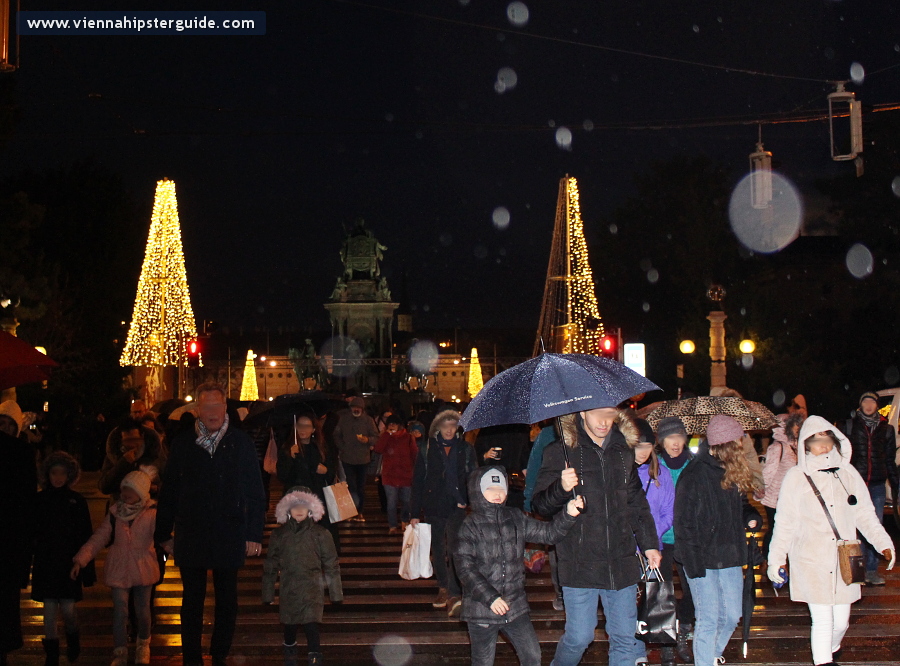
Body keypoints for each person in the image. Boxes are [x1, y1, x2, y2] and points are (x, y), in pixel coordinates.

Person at [532, 407, 660, 666]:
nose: (604, 422)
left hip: (620, 560)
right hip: (580, 562)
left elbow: (636, 502)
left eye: (609, 414)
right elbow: (540, 506)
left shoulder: (622, 451)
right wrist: (560, 487)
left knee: (624, 637)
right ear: (581, 414)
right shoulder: (560, 452)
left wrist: (649, 545)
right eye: (596, 414)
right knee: (580, 637)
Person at [768, 415, 895, 666]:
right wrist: (776, 560)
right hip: (811, 559)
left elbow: (865, 514)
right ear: (806, 445)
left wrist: (884, 543)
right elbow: (784, 523)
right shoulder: (796, 477)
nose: (822, 445)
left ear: (835, 441)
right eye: (816, 440)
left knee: (841, 621)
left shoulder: (848, 474)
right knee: (823, 620)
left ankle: (832, 646)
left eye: (826, 438)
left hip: (845, 561)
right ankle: (823, 660)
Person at [155, 382, 267, 666]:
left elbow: (255, 490)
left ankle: (219, 653)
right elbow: (169, 491)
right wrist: (163, 533)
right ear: (197, 410)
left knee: (227, 600)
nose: (214, 412)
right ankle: (192, 656)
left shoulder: (239, 442)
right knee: (192, 600)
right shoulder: (183, 443)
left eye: (218, 405)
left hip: (229, 530)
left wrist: (253, 533)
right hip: (192, 530)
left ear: (225, 408)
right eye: (207, 406)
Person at [453, 465, 584, 666]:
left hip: (514, 606)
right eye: (490, 489)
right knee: (483, 661)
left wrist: (568, 514)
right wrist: (491, 597)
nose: (497, 494)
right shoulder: (470, 526)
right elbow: (465, 568)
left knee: (532, 655)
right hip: (481, 608)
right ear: (477, 491)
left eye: (501, 489)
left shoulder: (515, 517)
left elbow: (549, 534)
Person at [674, 415, 760, 666]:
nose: (741, 449)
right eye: (737, 444)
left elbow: (742, 505)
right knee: (709, 617)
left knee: (733, 614)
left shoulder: (730, 470)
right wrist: (692, 562)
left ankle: (710, 655)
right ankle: (704, 661)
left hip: (730, 554)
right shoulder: (694, 474)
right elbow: (683, 522)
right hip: (701, 557)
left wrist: (751, 516)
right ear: (723, 446)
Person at [72, 470, 159, 666]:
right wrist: (81, 559)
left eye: (131, 490)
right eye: (124, 489)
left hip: (143, 566)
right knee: (120, 610)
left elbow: (164, 538)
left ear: (142, 493)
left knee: (143, 610)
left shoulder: (152, 513)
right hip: (119, 566)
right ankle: (119, 651)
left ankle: (143, 645)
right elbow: (99, 538)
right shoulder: (114, 513)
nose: (125, 494)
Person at [263, 489, 343, 666]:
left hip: (312, 587)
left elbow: (331, 563)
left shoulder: (320, 534)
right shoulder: (280, 535)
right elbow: (270, 565)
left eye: (304, 506)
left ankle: (314, 654)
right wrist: (268, 593)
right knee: (289, 624)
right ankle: (289, 649)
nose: (299, 510)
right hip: (289, 587)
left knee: (311, 623)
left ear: (311, 509)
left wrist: (336, 593)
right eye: (294, 506)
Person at [410, 409, 476, 617]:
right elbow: (418, 480)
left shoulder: (465, 449)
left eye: (453, 425)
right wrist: (414, 512)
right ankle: (443, 587)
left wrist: (467, 500)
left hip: (457, 506)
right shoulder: (427, 448)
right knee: (438, 548)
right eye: (445, 425)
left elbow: (472, 476)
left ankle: (456, 590)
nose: (449, 430)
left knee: (456, 548)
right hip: (434, 505)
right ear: (437, 428)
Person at [31, 451, 94, 666]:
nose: (58, 477)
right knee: (49, 611)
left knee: (68, 609)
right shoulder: (39, 500)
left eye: (62, 473)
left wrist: (85, 567)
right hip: (46, 562)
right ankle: (52, 653)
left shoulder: (76, 500)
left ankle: (73, 637)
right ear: (47, 474)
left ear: (70, 475)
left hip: (69, 563)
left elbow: (85, 534)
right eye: (54, 473)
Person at [838, 391, 899, 586]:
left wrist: (895, 483)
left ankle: (872, 570)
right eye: (865, 401)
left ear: (877, 406)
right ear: (860, 405)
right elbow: (842, 456)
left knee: (875, 525)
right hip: (855, 485)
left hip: (877, 485)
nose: (869, 405)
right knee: (855, 527)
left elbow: (890, 458)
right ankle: (859, 570)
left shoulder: (886, 429)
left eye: (872, 402)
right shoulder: (850, 426)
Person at [654, 415, 696, 664]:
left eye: (679, 436)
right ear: (661, 441)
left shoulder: (694, 464)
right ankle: (667, 642)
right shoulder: (654, 466)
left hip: (688, 537)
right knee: (663, 591)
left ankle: (683, 630)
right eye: (670, 437)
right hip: (662, 538)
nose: (675, 442)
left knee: (692, 589)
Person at [0, 407, 37, 666]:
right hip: (11, 538)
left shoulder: (22, 453)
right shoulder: (22, 453)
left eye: (8, 424)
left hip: (10, 539)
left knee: (6, 600)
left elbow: (27, 501)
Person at [277, 414, 342, 551]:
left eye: (307, 426)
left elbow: (331, 474)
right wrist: (290, 457)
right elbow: (282, 475)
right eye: (300, 425)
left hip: (317, 499)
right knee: (297, 540)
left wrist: (325, 471)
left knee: (318, 539)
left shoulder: (321, 448)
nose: (303, 429)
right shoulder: (289, 448)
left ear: (313, 429)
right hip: (296, 501)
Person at [760, 413, 803, 558]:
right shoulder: (777, 447)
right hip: (775, 498)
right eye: (794, 425)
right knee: (775, 530)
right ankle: (768, 559)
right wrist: (761, 489)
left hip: (791, 498)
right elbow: (768, 472)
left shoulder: (796, 446)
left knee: (791, 530)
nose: (797, 429)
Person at [331, 396, 379, 522]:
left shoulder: (368, 421)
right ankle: (351, 511)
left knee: (361, 486)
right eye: (354, 407)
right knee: (350, 485)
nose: (356, 409)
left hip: (363, 459)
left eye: (358, 408)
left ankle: (360, 511)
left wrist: (368, 440)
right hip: (347, 458)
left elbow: (376, 436)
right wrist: (342, 447)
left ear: (362, 409)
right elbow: (336, 434)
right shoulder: (343, 420)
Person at [99, 417, 166, 499]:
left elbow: (168, 481)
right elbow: (104, 487)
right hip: (122, 508)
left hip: (149, 507)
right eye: (127, 441)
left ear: (142, 436)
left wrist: (156, 488)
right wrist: (123, 462)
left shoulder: (154, 453)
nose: (132, 445)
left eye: (135, 440)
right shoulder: (114, 454)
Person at [373, 414, 418, 533]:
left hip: (406, 475)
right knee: (391, 503)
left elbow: (415, 455)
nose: (392, 426)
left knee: (406, 501)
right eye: (390, 424)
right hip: (389, 475)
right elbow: (378, 449)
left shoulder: (408, 437)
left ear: (399, 425)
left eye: (394, 424)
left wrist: (417, 471)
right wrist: (387, 435)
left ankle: (404, 520)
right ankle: (392, 525)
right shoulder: (385, 436)